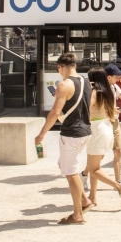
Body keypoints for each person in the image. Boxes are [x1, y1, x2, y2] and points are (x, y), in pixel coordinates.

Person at [34, 53, 91, 225]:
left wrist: (41, 134)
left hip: (71, 133)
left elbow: (55, 113)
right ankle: (85, 200)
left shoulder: (63, 85)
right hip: (85, 131)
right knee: (64, 164)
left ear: (61, 67)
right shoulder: (85, 81)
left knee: (70, 172)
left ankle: (78, 214)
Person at [84, 68, 121, 208]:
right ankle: (92, 196)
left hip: (97, 131)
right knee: (94, 166)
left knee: (94, 170)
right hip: (106, 128)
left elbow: (85, 107)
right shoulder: (108, 91)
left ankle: (119, 187)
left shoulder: (95, 92)